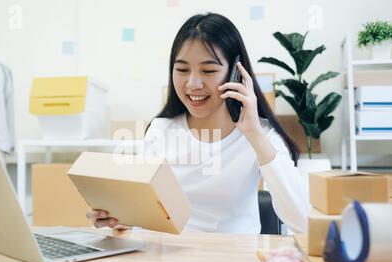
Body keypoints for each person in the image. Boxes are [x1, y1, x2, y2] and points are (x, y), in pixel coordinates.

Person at [87, 12, 309, 234]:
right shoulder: (161, 130)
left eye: (208, 70)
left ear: (235, 72)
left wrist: (254, 134)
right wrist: (122, 219)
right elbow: (145, 219)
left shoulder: (262, 135)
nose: (193, 84)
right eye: (182, 69)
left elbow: (301, 221)